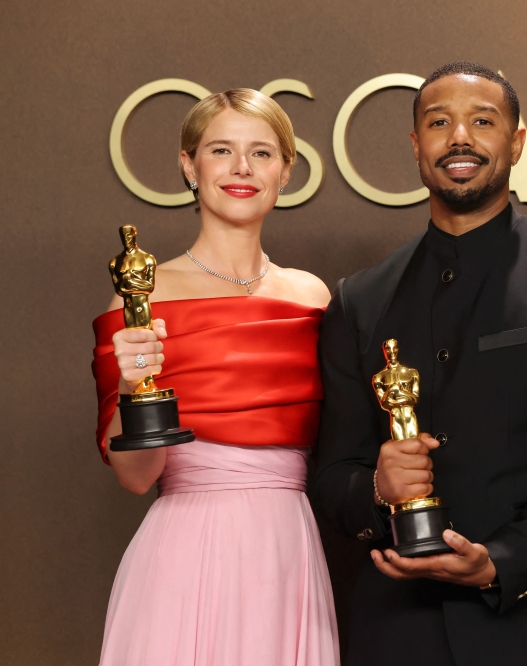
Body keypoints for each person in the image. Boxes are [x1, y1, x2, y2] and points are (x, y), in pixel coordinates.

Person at [311, 61, 527, 666]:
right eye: (439, 122)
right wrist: (376, 490)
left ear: (516, 142)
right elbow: (333, 471)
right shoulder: (358, 299)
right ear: (416, 147)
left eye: (481, 121)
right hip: (395, 633)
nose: (459, 137)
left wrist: (502, 561)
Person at [91, 89, 339, 666]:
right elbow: (134, 475)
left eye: (262, 153)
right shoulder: (145, 297)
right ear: (188, 166)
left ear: (286, 171)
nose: (242, 169)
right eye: (221, 150)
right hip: (186, 551)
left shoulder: (315, 297)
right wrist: (133, 388)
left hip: (288, 549)